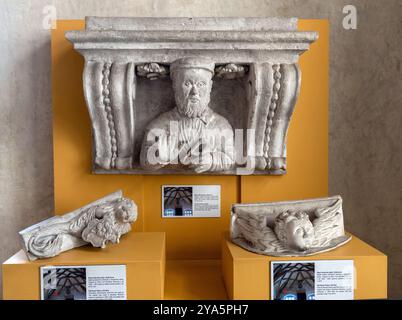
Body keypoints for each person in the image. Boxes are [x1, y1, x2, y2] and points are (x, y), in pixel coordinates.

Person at [140, 57, 235, 173]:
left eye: (201, 84)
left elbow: (230, 158)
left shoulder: (221, 125)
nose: (194, 92)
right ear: (175, 87)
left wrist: (210, 161)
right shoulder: (159, 125)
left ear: (210, 87)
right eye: (187, 84)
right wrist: (158, 157)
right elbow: (144, 162)